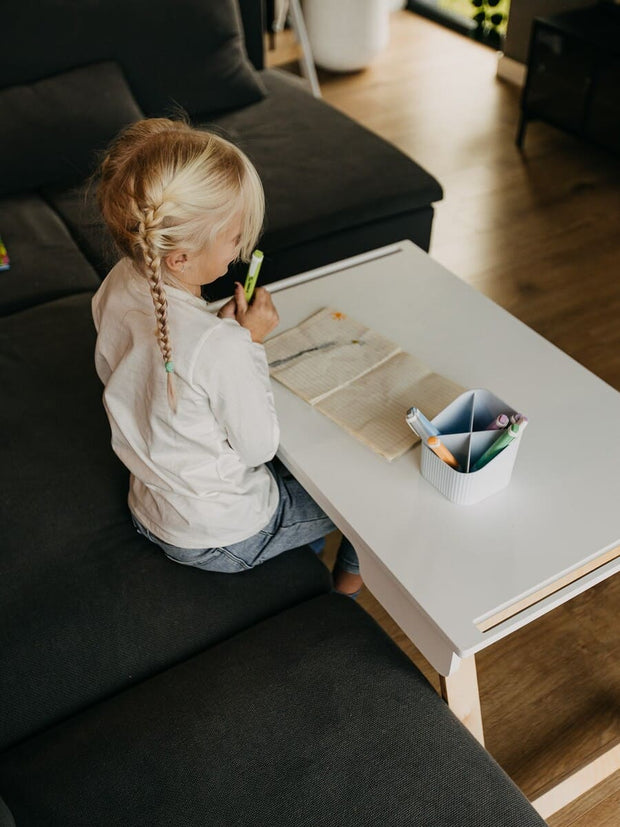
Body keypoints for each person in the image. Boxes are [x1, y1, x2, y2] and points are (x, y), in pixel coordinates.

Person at [91, 118, 363, 596]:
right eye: (235, 237)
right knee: (365, 496)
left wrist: (221, 335)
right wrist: (248, 341)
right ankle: (344, 589)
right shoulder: (218, 346)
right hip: (223, 534)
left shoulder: (116, 283)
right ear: (179, 259)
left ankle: (307, 552)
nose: (242, 249)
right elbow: (258, 449)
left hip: (154, 507)